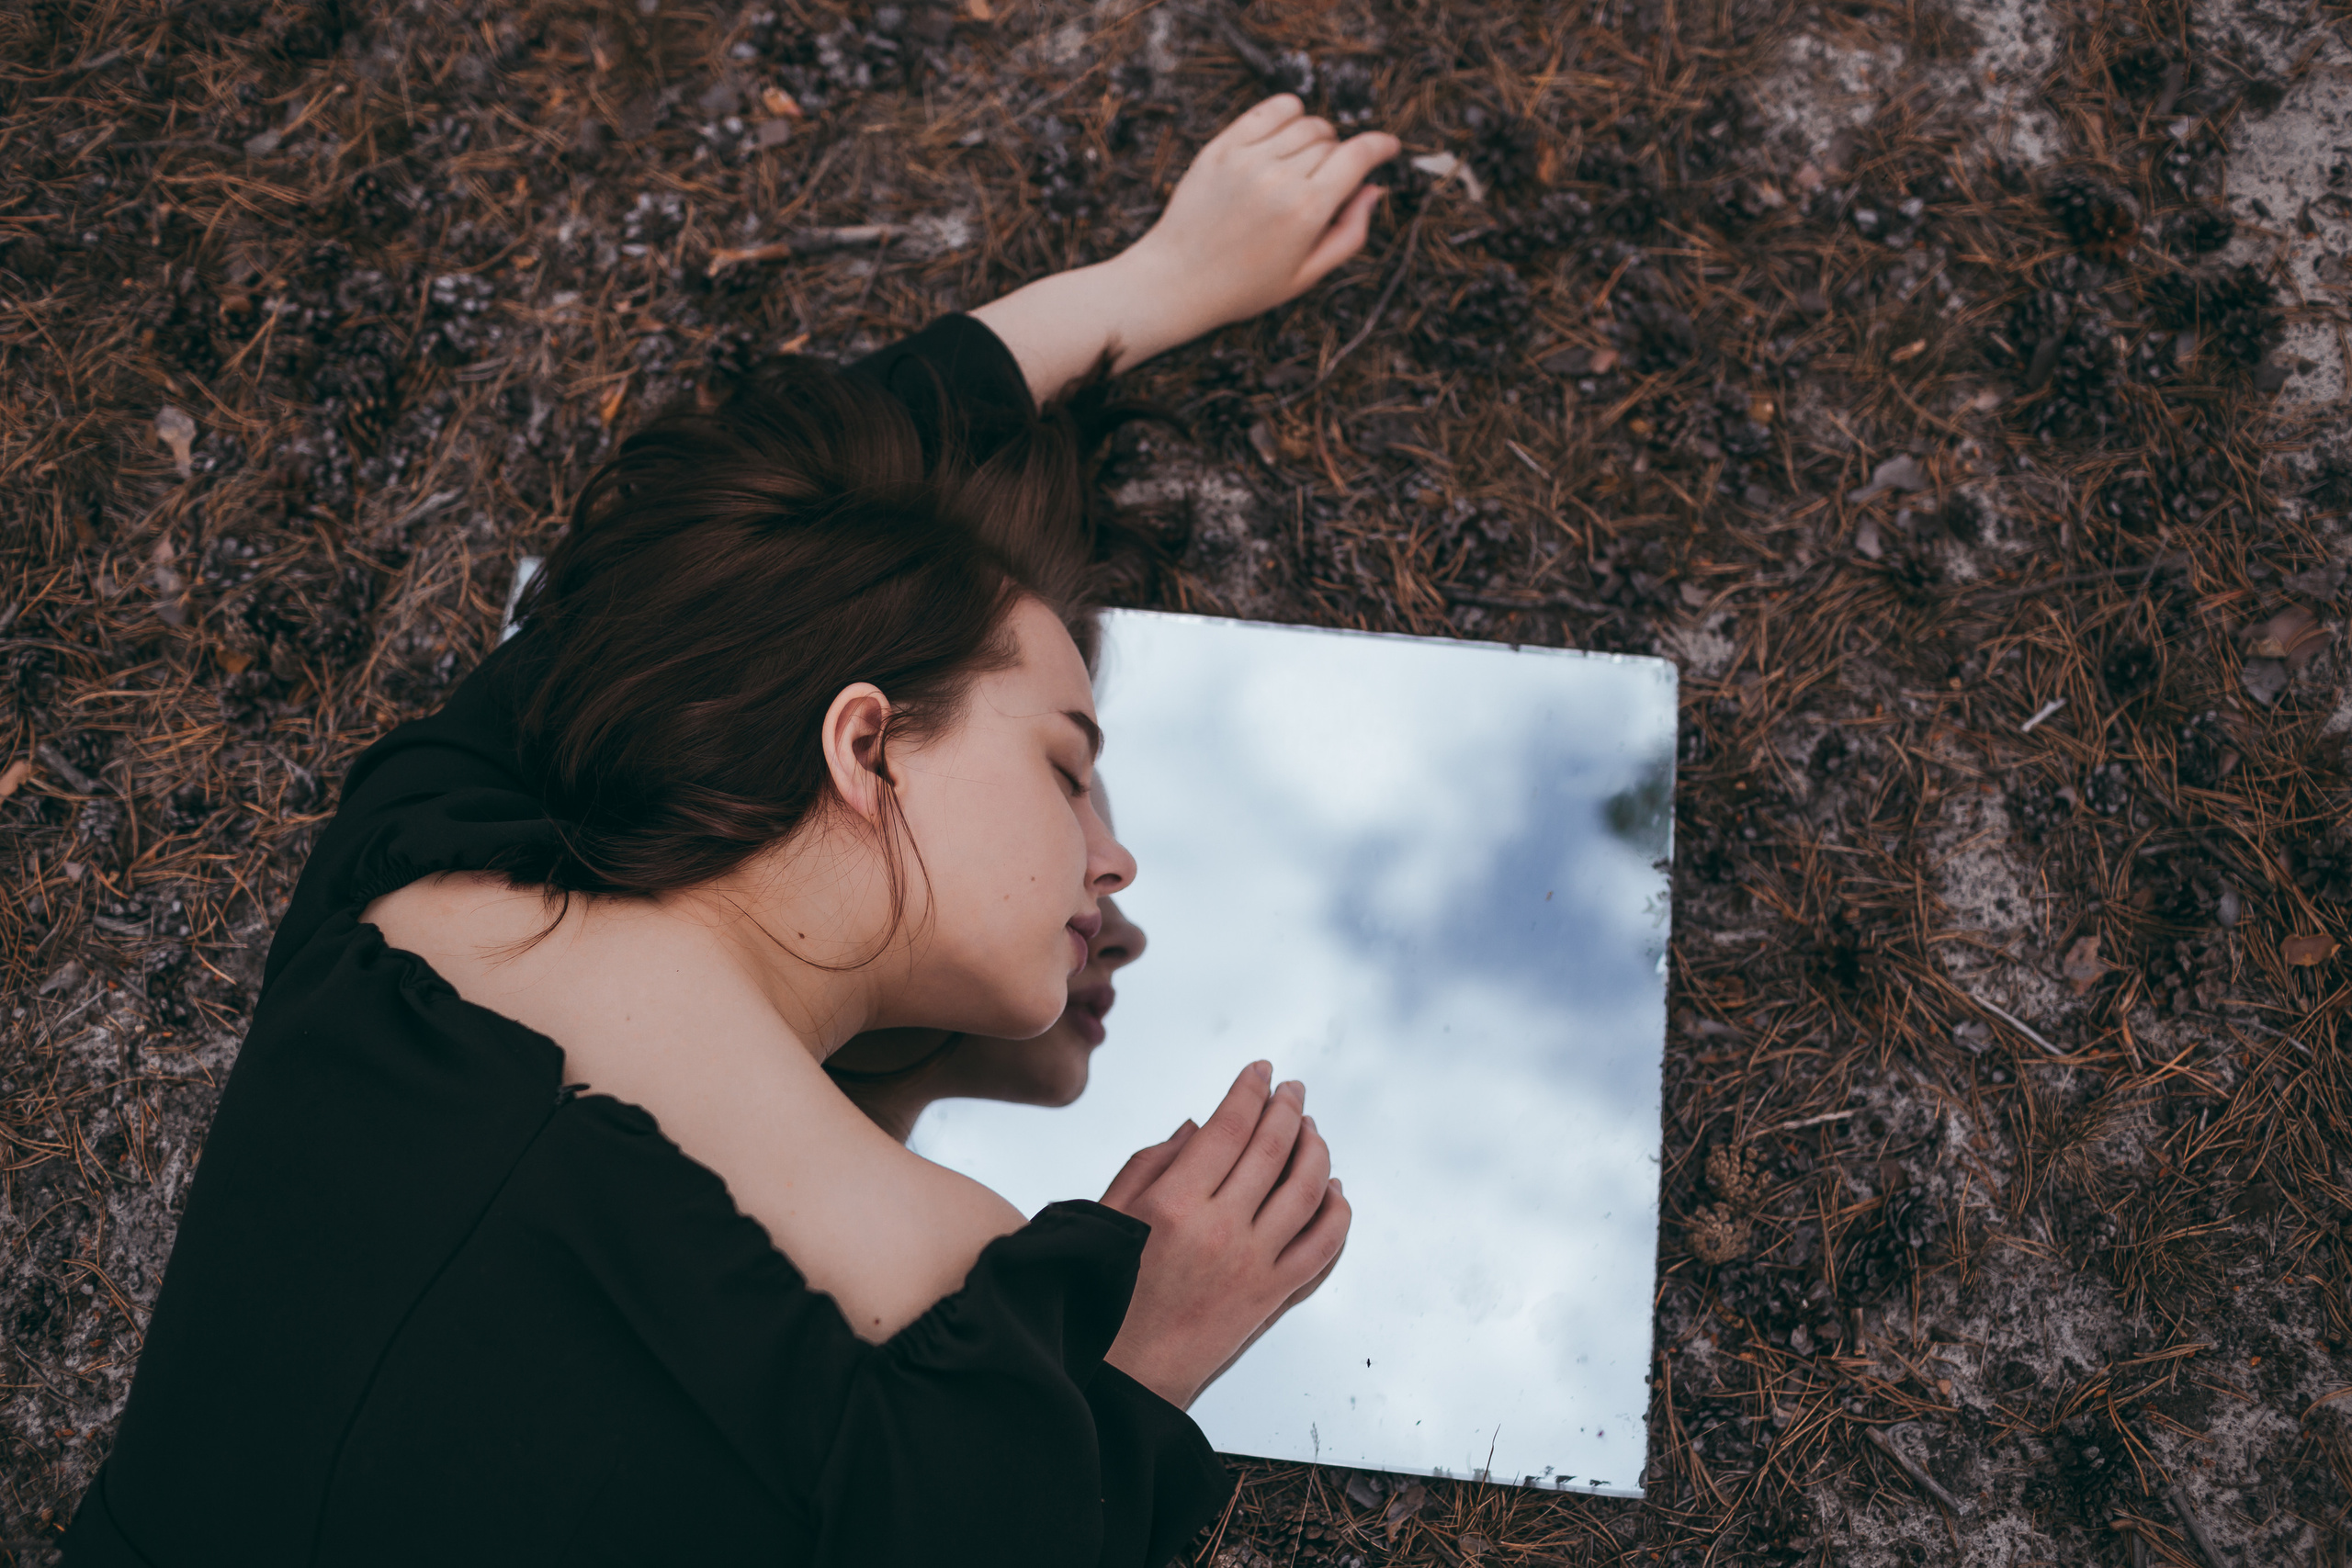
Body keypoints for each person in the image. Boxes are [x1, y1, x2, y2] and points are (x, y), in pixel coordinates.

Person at [62, 95, 1399, 1568]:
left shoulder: (420, 859)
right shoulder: (940, 1313)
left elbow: (718, 538)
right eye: (1067, 766)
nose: (1115, 855)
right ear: (864, 741)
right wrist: (1142, 1366)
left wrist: (1153, 282)